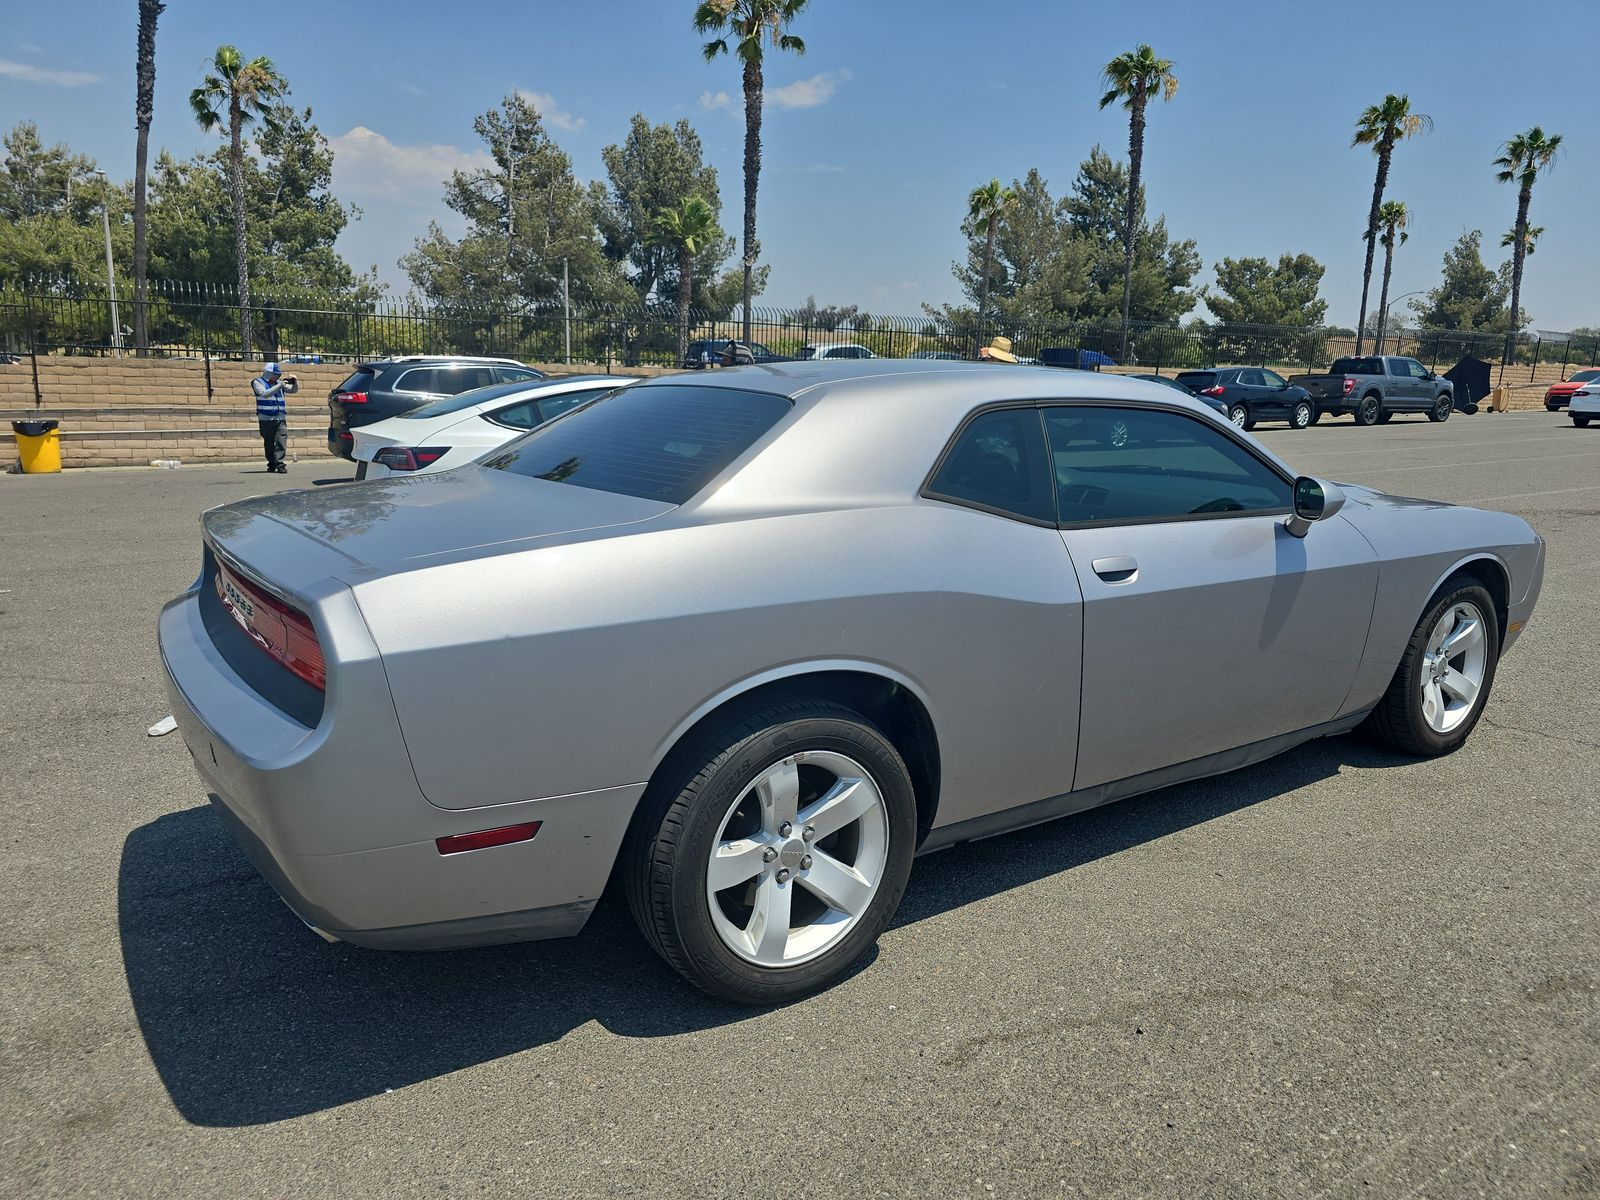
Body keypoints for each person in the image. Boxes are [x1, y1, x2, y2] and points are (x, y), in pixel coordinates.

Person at [252, 362, 299, 473]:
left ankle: (280, 464)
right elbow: (264, 394)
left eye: (278, 374)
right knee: (269, 442)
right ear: (268, 373)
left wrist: (295, 382)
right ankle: (272, 463)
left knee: (281, 440)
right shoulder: (257, 382)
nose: (277, 376)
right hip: (265, 419)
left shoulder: (279, 383)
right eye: (275, 374)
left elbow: (293, 390)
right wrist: (280, 385)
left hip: (280, 419)